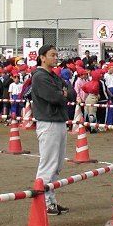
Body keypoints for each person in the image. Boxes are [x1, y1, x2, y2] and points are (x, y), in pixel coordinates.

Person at [31, 44, 76, 215]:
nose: (56, 58)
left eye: (56, 55)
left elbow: (71, 92)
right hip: (48, 122)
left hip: (58, 121)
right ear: (42, 57)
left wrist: (64, 94)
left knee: (57, 165)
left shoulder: (53, 76)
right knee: (48, 164)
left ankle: (50, 200)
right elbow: (55, 97)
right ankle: (44, 202)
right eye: (52, 55)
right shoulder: (40, 77)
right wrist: (63, 94)